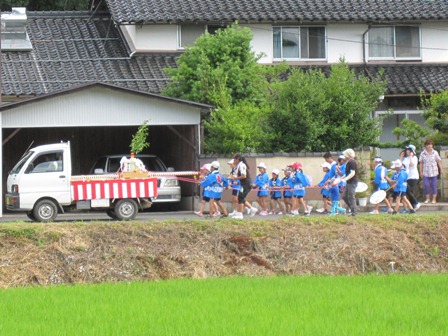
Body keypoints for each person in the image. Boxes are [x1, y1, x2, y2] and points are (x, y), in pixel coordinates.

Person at [228, 154, 257, 219]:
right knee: (240, 197)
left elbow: (244, 176)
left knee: (240, 198)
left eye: (234, 159)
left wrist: (235, 178)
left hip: (246, 184)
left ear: (238, 159)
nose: (234, 161)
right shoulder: (239, 165)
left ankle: (240, 214)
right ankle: (252, 209)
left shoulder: (242, 165)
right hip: (243, 184)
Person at [419, 139, 444, 204]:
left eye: (431, 146)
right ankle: (427, 199)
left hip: (434, 171)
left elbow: (439, 161)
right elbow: (421, 163)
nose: (430, 147)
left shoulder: (435, 152)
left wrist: (441, 169)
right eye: (429, 146)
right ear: (426, 146)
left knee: (433, 185)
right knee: (426, 185)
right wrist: (420, 171)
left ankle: (434, 199)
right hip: (426, 172)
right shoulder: (423, 153)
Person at [401, 145, 420, 210]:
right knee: (408, 191)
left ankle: (416, 203)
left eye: (408, 150)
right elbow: (401, 166)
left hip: (413, 177)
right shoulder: (406, 158)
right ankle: (412, 206)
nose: (407, 151)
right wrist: (401, 157)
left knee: (407, 190)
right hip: (407, 177)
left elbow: (412, 164)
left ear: (412, 151)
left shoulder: (414, 158)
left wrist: (411, 156)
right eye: (406, 150)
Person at [341, 148, 358, 216]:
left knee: (351, 196)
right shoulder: (349, 162)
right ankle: (353, 209)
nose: (344, 156)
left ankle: (354, 212)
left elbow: (352, 173)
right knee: (344, 196)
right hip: (349, 181)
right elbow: (347, 173)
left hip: (352, 181)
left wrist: (345, 179)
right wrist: (342, 178)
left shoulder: (352, 162)